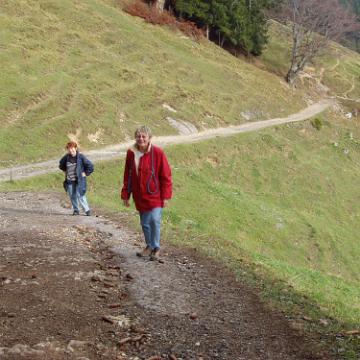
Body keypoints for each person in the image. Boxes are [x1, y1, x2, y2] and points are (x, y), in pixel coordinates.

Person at [121, 125, 172, 261]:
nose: (141, 138)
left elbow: (166, 175)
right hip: (139, 195)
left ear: (149, 138)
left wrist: (166, 196)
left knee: (155, 220)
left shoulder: (158, 153)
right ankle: (149, 246)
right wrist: (126, 194)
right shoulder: (131, 153)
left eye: (144, 136)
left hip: (155, 194)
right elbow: (128, 174)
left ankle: (156, 248)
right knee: (145, 223)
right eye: (138, 136)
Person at [59, 141, 94, 216]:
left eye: (72, 148)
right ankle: (76, 210)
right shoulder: (66, 157)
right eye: (69, 149)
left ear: (76, 148)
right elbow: (61, 165)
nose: (71, 150)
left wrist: (85, 173)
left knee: (80, 194)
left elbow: (90, 166)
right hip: (70, 180)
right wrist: (65, 171)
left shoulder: (81, 157)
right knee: (72, 196)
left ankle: (87, 210)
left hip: (79, 180)